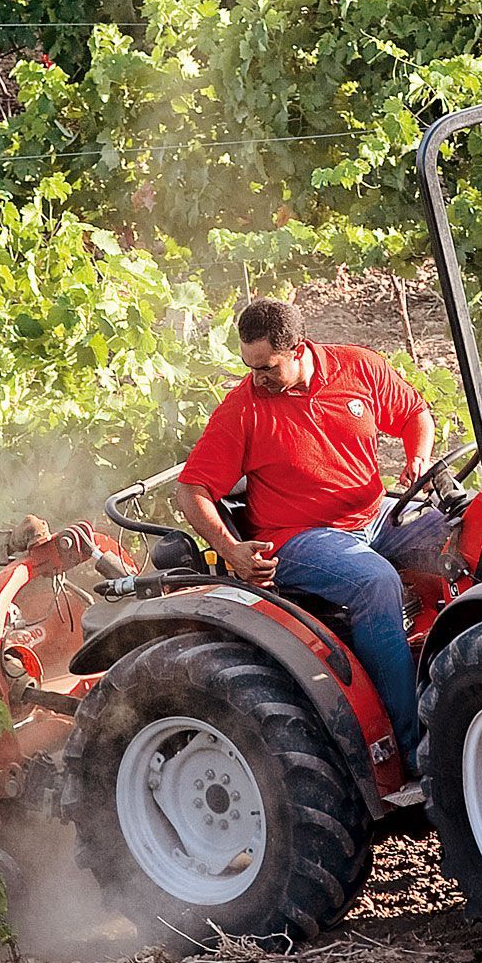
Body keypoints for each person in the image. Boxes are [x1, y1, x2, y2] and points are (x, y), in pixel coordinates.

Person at [173, 297, 436, 765]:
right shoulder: (243, 409)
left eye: (267, 367)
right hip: (298, 537)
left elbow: (415, 413)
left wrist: (416, 456)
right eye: (250, 367)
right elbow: (192, 489)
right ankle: (410, 748)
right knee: (375, 583)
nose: (258, 378)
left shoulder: (358, 367)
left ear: (297, 349)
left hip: (375, 514)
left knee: (469, 535)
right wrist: (231, 549)